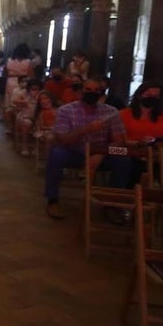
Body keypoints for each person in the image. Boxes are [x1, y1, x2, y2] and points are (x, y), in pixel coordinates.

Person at [44, 77, 132, 220]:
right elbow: (63, 139)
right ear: (80, 92)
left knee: (123, 158)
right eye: (88, 90)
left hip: (101, 151)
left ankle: (112, 204)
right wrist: (86, 130)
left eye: (97, 90)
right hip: (73, 150)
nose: (93, 93)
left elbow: (119, 140)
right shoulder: (66, 110)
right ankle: (52, 199)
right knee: (56, 154)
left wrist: (101, 154)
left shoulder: (111, 111)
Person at [120, 82, 163, 197]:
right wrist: (139, 143)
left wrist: (160, 144)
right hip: (135, 155)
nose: (151, 99)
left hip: (161, 155)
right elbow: (121, 140)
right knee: (134, 170)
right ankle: (127, 202)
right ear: (139, 95)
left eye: (155, 96)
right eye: (148, 95)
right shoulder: (124, 115)